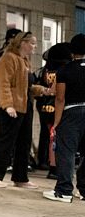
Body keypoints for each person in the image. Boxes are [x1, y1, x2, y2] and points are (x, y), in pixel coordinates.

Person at [0, 32, 48, 188]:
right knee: (6, 141)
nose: (34, 46)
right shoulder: (8, 58)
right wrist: (7, 105)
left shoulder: (24, 61)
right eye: (32, 43)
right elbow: (3, 84)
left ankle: (20, 177)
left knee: (24, 142)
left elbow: (25, 87)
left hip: (25, 106)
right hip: (10, 107)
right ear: (22, 43)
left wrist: (41, 90)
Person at [44, 34, 85, 203]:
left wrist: (56, 122)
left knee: (66, 152)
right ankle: (84, 190)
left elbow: (59, 99)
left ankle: (64, 190)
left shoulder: (65, 71)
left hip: (72, 112)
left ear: (71, 52)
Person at [33, 43, 72, 177]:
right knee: (57, 138)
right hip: (59, 107)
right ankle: (55, 168)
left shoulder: (44, 70)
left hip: (45, 106)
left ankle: (45, 162)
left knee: (48, 135)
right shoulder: (64, 70)